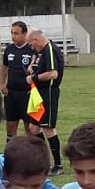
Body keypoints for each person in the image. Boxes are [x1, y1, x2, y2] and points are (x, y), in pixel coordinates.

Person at [24, 28, 64, 175]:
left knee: (48, 128)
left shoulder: (50, 50)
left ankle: (58, 165)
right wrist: (32, 67)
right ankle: (44, 162)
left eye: (31, 44)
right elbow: (36, 63)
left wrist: (34, 78)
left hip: (48, 93)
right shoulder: (40, 51)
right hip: (38, 93)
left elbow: (53, 74)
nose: (31, 47)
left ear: (36, 40)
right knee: (33, 128)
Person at [0, 21, 36, 142]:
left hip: (27, 94)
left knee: (29, 128)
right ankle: (11, 151)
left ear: (25, 34)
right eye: (12, 33)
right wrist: (2, 84)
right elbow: (4, 67)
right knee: (10, 127)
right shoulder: (9, 49)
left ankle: (32, 151)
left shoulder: (31, 49)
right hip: (11, 93)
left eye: (16, 33)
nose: (13, 36)